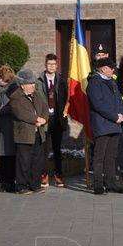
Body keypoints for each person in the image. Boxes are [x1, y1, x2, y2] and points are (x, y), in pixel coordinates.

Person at [87, 57, 123, 194]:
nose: (113, 70)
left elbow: (120, 100)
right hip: (102, 124)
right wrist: (114, 116)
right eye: (111, 68)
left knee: (111, 156)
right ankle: (98, 185)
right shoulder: (94, 82)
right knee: (100, 156)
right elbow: (98, 104)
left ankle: (111, 183)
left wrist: (121, 114)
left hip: (115, 124)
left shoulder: (112, 82)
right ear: (103, 69)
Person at [9, 69, 50, 194]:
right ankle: (21, 186)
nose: (33, 85)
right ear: (22, 85)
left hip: (38, 132)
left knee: (37, 161)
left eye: (33, 83)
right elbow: (20, 113)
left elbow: (45, 107)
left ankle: (35, 184)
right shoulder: (15, 97)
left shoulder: (36, 94)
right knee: (24, 161)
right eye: (30, 83)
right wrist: (36, 119)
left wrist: (44, 119)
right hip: (24, 134)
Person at [37, 54, 68, 187]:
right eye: (49, 64)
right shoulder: (39, 81)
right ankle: (44, 175)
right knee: (44, 148)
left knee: (57, 148)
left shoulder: (61, 81)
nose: (51, 66)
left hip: (57, 118)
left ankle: (58, 175)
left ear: (56, 66)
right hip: (44, 118)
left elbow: (66, 98)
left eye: (53, 64)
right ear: (45, 65)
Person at [0, 66, 17, 193]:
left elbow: (12, 107)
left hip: (10, 126)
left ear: (6, 78)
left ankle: (10, 182)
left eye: (0, 77)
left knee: (10, 155)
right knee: (1, 155)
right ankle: (3, 182)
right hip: (0, 126)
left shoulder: (13, 89)